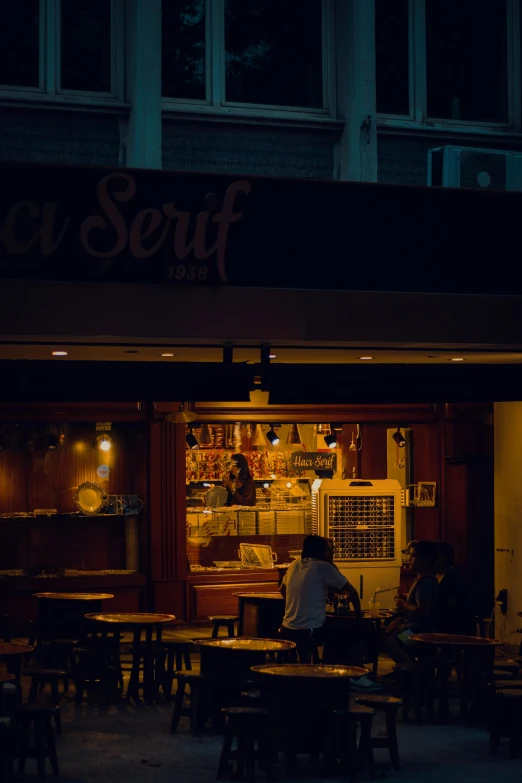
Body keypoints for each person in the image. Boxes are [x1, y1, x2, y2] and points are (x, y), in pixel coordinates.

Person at [279, 535, 380, 691]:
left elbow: (282, 589)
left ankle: (335, 671)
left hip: (288, 628)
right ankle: (354, 674)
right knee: (358, 630)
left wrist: (297, 604)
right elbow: (352, 592)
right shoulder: (322, 567)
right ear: (321, 551)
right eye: (328, 550)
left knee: (337, 630)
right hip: (311, 630)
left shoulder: (294, 565)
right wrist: (359, 617)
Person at [385, 540, 439, 665]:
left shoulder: (425, 582)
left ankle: (407, 668)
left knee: (390, 641)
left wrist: (402, 604)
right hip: (415, 627)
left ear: (426, 559)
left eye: (414, 556)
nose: (409, 559)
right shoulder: (421, 579)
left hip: (420, 631)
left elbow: (422, 610)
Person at [434, 541, 475, 635]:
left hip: (455, 628)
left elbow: (449, 606)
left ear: (445, 558)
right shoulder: (435, 575)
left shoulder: (454, 577)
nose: (431, 560)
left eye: (435, 556)